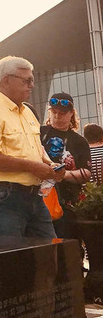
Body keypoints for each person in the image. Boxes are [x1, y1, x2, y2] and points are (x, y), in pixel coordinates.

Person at [0, 56, 65, 238]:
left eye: (32, 80)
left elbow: (36, 151)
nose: (32, 85)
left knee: (49, 254)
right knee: (10, 259)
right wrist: (32, 167)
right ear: (7, 80)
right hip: (4, 198)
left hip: (34, 197)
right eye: (27, 80)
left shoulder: (27, 112)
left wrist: (50, 167)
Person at [40, 93, 91, 237]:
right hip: (40, 200)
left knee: (69, 245)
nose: (57, 116)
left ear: (71, 114)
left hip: (68, 203)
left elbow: (86, 173)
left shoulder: (79, 141)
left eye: (62, 113)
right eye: (54, 112)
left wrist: (62, 175)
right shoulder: (39, 133)